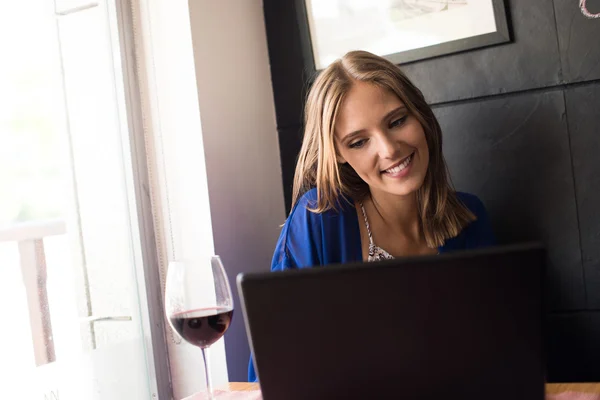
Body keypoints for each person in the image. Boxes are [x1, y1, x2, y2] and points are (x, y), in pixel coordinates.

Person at [248, 50, 495, 382]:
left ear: (419, 115)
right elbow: (268, 373)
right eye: (359, 141)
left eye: (396, 121)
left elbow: (496, 356)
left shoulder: (469, 217)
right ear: (339, 154)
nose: (388, 149)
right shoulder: (319, 220)